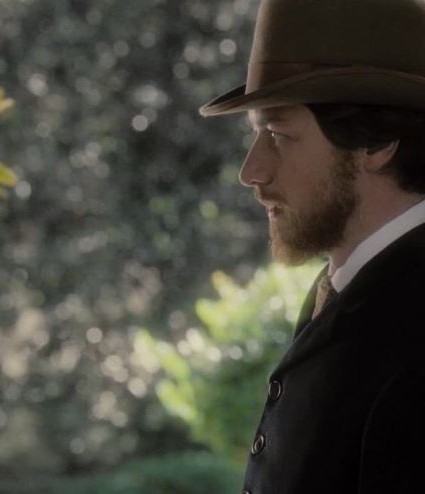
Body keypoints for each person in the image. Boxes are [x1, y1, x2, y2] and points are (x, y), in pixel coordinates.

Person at [200, 0, 425, 492]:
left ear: (376, 143)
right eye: (256, 133)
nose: (251, 172)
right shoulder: (349, 291)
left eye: (278, 134)